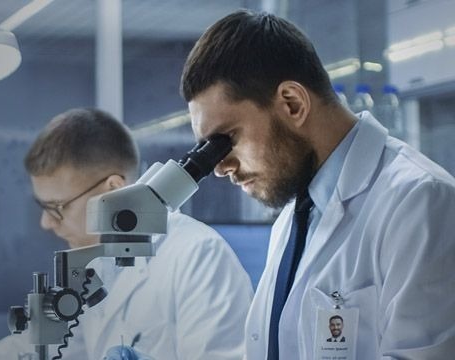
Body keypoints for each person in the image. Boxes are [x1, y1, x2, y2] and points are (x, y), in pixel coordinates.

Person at [181, 9, 455, 360]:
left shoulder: (419, 202)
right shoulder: (294, 218)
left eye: (226, 139)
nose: (219, 167)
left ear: (292, 104)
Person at [0, 108, 254, 359]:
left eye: (57, 207)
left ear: (112, 189)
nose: (45, 223)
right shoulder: (94, 264)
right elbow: (47, 348)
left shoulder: (197, 255)